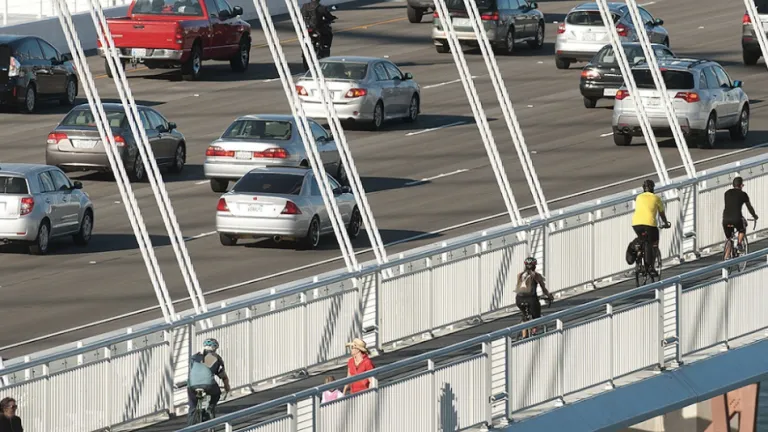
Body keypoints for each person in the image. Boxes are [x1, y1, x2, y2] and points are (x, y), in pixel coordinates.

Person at [186, 338, 231, 425]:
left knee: (192, 406)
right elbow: (223, 376)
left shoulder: (194, 357)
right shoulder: (215, 358)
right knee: (216, 394)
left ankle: (189, 426)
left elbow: (192, 372)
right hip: (208, 385)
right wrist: (227, 387)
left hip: (192, 385)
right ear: (215, 348)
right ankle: (210, 407)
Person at [631, 179, 671, 276]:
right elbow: (662, 214)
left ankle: (639, 256)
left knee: (642, 240)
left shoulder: (638, 197)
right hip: (649, 224)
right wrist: (666, 223)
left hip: (636, 224)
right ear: (653, 188)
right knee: (653, 242)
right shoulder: (656, 198)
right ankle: (651, 267)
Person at [515, 257, 553, 339]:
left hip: (519, 299)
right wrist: (549, 296)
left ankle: (524, 336)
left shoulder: (520, 275)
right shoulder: (536, 275)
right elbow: (544, 289)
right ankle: (534, 333)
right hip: (531, 299)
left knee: (525, 317)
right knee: (537, 317)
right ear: (534, 266)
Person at [722, 176, 758, 254]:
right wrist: (754, 215)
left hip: (725, 219)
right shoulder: (743, 194)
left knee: (729, 239)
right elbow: (749, 207)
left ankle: (726, 259)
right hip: (737, 219)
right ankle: (739, 244)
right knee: (743, 227)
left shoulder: (726, 193)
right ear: (741, 185)